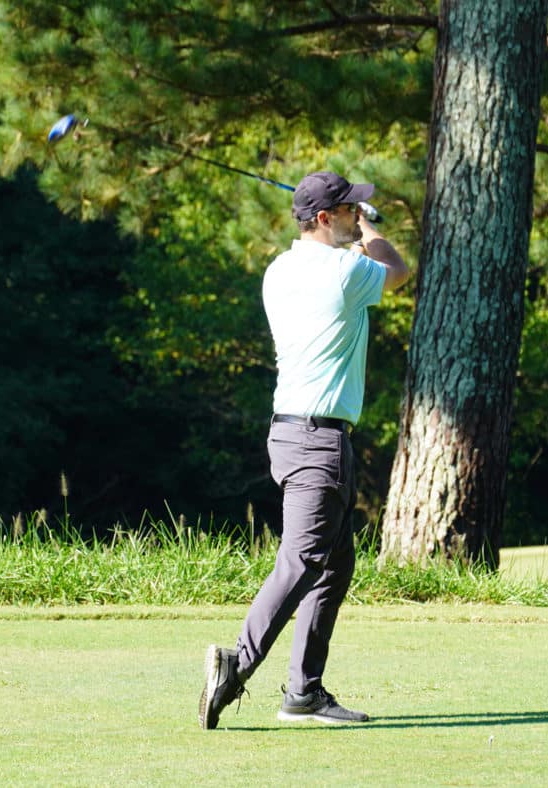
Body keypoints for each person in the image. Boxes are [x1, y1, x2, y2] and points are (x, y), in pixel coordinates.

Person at [199, 171, 410, 729]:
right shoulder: (344, 271)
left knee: (334, 566)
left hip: (291, 434)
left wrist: (355, 229)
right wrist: (371, 230)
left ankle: (303, 692)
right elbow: (397, 271)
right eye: (349, 210)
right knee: (303, 561)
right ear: (324, 217)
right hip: (319, 440)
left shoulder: (279, 270)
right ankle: (236, 666)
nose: (356, 215)